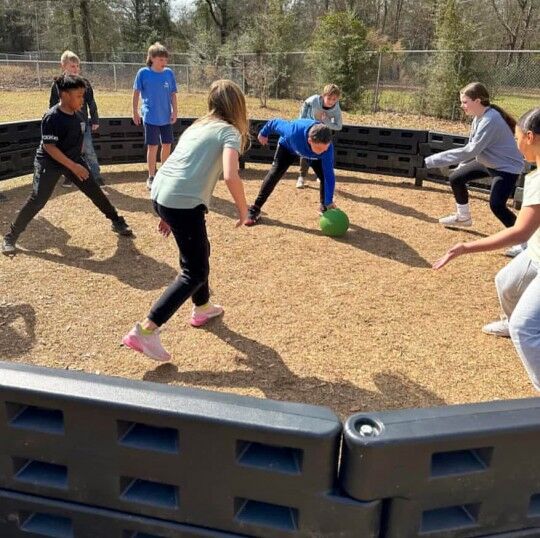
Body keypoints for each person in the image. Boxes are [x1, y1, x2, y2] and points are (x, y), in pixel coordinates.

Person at [122, 79, 250, 361]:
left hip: (162, 193)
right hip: (180, 202)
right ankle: (145, 331)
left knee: (200, 251)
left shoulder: (199, 126)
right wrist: (244, 210)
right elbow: (231, 175)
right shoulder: (229, 132)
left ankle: (202, 307)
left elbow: (179, 162)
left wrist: (165, 211)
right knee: (194, 270)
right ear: (238, 106)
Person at [433, 107, 540, 391]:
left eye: (517, 138)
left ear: (530, 137)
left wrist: (465, 246)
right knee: (505, 282)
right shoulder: (536, 173)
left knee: (525, 329)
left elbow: (521, 231)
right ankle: (508, 323)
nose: (516, 144)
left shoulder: (539, 179)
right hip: (536, 252)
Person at [1, 74, 133, 255]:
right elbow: (49, 147)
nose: (82, 99)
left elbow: (77, 142)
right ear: (64, 95)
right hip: (49, 162)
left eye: (83, 95)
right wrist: (73, 166)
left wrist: (79, 164)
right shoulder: (51, 117)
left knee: (95, 191)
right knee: (37, 200)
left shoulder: (79, 116)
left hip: (72, 160)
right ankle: (10, 237)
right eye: (79, 96)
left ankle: (117, 221)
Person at [424, 82, 525, 258]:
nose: (462, 106)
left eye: (465, 102)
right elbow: (473, 147)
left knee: (497, 205)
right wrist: (461, 165)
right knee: (456, 177)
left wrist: (433, 160)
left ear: (477, 101)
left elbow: (471, 150)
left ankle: (525, 244)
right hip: (489, 163)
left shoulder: (490, 119)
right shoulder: (480, 117)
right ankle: (463, 217)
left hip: (507, 168)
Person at [245, 119, 337, 226]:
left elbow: (329, 176)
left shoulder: (327, 149)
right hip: (288, 147)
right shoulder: (292, 131)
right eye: (320, 148)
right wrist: (263, 133)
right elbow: (274, 123)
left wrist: (328, 201)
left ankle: (324, 207)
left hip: (310, 154)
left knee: (323, 177)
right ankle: (255, 209)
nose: (323, 152)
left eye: (325, 148)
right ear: (309, 140)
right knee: (274, 174)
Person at [50, 50, 105, 187]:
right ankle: (70, 176)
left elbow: (91, 102)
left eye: (77, 66)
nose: (76, 69)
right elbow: (52, 105)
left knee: (88, 150)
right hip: (64, 125)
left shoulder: (84, 83)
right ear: (63, 66)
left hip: (82, 123)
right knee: (67, 152)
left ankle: (96, 176)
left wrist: (95, 119)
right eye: (72, 66)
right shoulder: (58, 84)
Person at [132, 42, 178, 190]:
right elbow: (136, 93)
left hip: (166, 117)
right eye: (160, 59)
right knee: (153, 147)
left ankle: (164, 174)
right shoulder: (143, 73)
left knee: (167, 145)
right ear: (151, 58)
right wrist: (135, 111)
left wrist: (175, 111)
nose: (164, 62)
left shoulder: (169, 73)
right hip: (150, 117)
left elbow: (173, 94)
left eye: (165, 60)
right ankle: (151, 176)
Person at [296, 84, 342, 189]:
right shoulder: (314, 100)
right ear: (323, 96)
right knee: (305, 151)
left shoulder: (336, 109)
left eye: (334, 99)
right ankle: (302, 177)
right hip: (310, 127)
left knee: (323, 152)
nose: (331, 101)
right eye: (329, 98)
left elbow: (339, 126)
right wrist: (302, 121)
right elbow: (305, 104)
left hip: (324, 131)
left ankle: (320, 175)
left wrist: (326, 121)